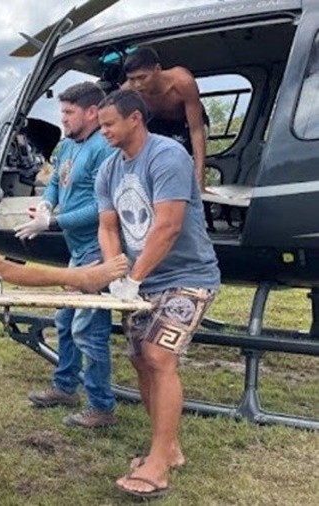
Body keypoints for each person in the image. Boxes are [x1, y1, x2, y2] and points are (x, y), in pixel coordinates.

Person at [95, 89, 220, 499]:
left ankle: (158, 464)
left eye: (109, 124)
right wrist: (117, 274)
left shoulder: (167, 156)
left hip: (188, 276)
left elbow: (167, 226)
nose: (103, 132)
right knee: (139, 360)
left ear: (135, 118)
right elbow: (108, 227)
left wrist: (134, 277)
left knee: (158, 356)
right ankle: (170, 447)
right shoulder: (108, 169)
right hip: (141, 280)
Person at [14, 82, 118, 428]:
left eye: (69, 112)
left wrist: (54, 222)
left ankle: (101, 406)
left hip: (97, 249)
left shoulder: (104, 149)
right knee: (65, 321)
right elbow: (56, 182)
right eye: (62, 111)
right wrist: (47, 203)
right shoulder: (69, 145)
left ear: (92, 112)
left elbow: (103, 206)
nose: (63, 118)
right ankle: (65, 387)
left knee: (89, 328)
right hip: (77, 249)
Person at [122, 46, 208, 190]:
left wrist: (200, 179)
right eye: (132, 79)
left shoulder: (182, 82)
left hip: (186, 123)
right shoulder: (128, 91)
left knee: (179, 163)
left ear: (157, 69)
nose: (137, 85)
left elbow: (196, 130)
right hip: (158, 123)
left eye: (142, 77)